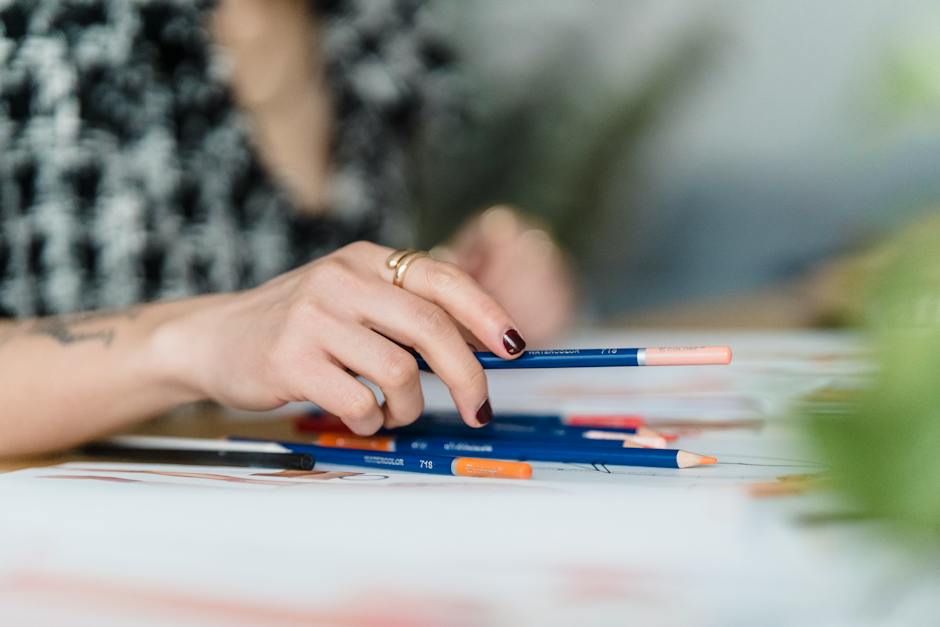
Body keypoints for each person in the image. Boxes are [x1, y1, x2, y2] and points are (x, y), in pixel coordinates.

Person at [0, 0, 573, 456]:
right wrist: (199, 341)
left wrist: (441, 297)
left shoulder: (373, 32)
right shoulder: (33, 30)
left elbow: (301, 309)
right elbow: (259, 326)